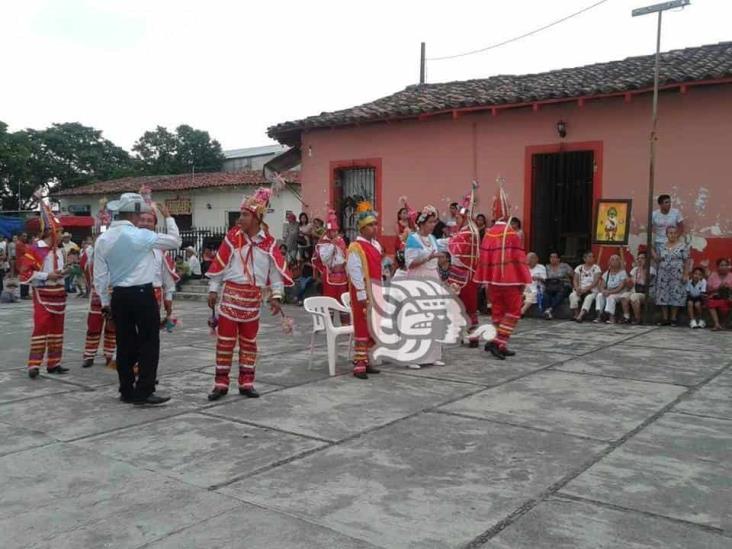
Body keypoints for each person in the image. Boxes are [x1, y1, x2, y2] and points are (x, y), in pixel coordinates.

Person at [206, 188, 293, 401]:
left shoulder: (269, 243)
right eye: (240, 214)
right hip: (231, 297)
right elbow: (220, 264)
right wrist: (213, 289)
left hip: (253, 300)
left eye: (245, 214)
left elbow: (275, 272)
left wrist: (277, 295)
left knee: (249, 343)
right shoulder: (232, 238)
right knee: (225, 342)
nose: (240, 218)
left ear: (256, 217)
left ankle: (246, 382)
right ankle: (220, 383)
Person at [93, 194, 181, 405]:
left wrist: (105, 302)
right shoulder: (140, 235)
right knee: (149, 341)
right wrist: (168, 217)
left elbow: (100, 276)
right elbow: (175, 241)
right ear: (133, 214)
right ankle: (144, 390)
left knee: (124, 343)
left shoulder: (103, 239)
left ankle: (126, 389)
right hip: (142, 294)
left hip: (119, 296)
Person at [474, 183, 531, 360]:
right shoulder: (512, 233)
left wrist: (485, 280)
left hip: (492, 282)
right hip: (510, 281)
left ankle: (500, 344)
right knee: (514, 312)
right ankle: (499, 341)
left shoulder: (489, 234)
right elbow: (518, 259)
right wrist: (523, 281)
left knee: (498, 313)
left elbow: (483, 258)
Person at [18, 205, 69, 378]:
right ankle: (34, 365)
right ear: (50, 232)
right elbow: (25, 273)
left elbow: (58, 272)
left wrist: (63, 273)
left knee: (57, 330)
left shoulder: (59, 250)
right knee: (41, 328)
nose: (62, 235)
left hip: (59, 293)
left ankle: (54, 363)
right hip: (43, 293)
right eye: (60, 231)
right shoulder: (35, 249)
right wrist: (48, 275)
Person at [404, 205, 445, 369]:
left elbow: (436, 259)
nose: (433, 225)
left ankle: (433, 355)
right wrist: (430, 256)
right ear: (421, 223)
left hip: (432, 276)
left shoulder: (434, 239)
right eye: (430, 222)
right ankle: (413, 356)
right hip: (418, 278)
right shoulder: (413, 239)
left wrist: (439, 259)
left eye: (435, 222)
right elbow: (410, 263)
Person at [346, 201, 383, 379]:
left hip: (375, 290)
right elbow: (355, 271)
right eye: (370, 225)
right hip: (363, 291)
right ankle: (359, 363)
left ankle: (366, 360)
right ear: (361, 228)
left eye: (375, 224)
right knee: (362, 325)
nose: (374, 228)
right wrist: (361, 291)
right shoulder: (356, 247)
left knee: (372, 325)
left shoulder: (376, 245)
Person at [447, 193, 481, 346]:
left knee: (467, 304)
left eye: (459, 219)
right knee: (463, 304)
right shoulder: (467, 231)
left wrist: (450, 240)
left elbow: (456, 249)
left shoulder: (468, 233)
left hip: (465, 273)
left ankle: (472, 336)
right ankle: (465, 334)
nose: (456, 221)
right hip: (461, 273)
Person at [81, 236, 116, 369]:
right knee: (93, 326)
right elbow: (85, 267)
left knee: (112, 326)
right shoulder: (92, 254)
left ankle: (109, 354)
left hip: (112, 293)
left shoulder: (114, 255)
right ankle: (89, 355)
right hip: (97, 294)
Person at [653, 226, 690, 327]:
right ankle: (665, 318)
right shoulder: (661, 246)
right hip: (663, 274)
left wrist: (685, 274)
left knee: (676, 294)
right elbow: (657, 259)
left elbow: (687, 261)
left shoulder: (683, 246)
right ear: (666, 234)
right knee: (663, 294)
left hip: (677, 274)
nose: (672, 235)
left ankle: (673, 318)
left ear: (677, 234)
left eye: (674, 233)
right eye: (670, 233)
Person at [312, 209, 348, 307]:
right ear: (328, 231)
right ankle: (328, 321)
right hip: (329, 275)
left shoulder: (341, 241)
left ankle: (345, 322)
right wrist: (332, 245)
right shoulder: (324, 242)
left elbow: (344, 256)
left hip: (342, 276)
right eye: (333, 231)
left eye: (336, 230)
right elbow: (324, 259)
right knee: (330, 303)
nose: (335, 233)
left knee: (344, 304)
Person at [594, 254, 629, 324]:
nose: (614, 261)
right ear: (609, 262)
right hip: (608, 291)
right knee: (599, 295)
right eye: (612, 259)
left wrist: (609, 292)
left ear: (619, 262)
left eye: (616, 259)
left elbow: (620, 288)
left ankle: (611, 317)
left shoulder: (623, 273)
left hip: (619, 293)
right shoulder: (607, 273)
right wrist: (603, 291)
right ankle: (599, 316)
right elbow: (602, 286)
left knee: (610, 297)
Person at [624, 250, 656, 324]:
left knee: (634, 297)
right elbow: (630, 285)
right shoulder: (635, 270)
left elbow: (645, 282)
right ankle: (626, 317)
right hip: (635, 291)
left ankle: (637, 318)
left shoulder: (651, 270)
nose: (639, 260)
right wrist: (628, 281)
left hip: (647, 293)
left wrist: (641, 268)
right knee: (624, 296)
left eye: (642, 258)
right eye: (638, 258)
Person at [570, 251, 602, 322]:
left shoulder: (596, 268)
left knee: (588, 298)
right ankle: (576, 314)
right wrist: (577, 288)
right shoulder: (579, 268)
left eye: (593, 257)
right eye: (589, 257)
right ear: (584, 259)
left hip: (592, 290)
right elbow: (575, 280)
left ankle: (581, 316)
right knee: (572, 295)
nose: (592, 258)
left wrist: (586, 289)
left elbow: (595, 282)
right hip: (580, 289)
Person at [543, 252, 573, 320]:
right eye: (551, 257)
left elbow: (573, 275)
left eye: (554, 257)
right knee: (546, 294)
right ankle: (548, 312)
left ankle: (550, 309)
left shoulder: (565, 266)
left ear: (559, 259)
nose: (552, 259)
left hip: (564, 284)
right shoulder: (547, 267)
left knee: (560, 294)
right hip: (551, 285)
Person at [705, 258, 731, 331]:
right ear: (718, 267)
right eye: (721, 265)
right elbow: (708, 289)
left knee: (728, 302)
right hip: (715, 297)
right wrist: (718, 288)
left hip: (728, 297)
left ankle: (724, 324)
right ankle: (716, 324)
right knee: (711, 303)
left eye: (726, 265)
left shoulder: (731, 276)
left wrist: (729, 287)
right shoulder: (713, 275)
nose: (724, 267)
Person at [521, 252, 546, 317]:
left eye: (529, 259)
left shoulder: (541, 267)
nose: (527, 261)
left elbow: (545, 280)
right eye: (527, 259)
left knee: (532, 295)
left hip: (537, 287)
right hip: (526, 287)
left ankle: (522, 311)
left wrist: (538, 278)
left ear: (535, 259)